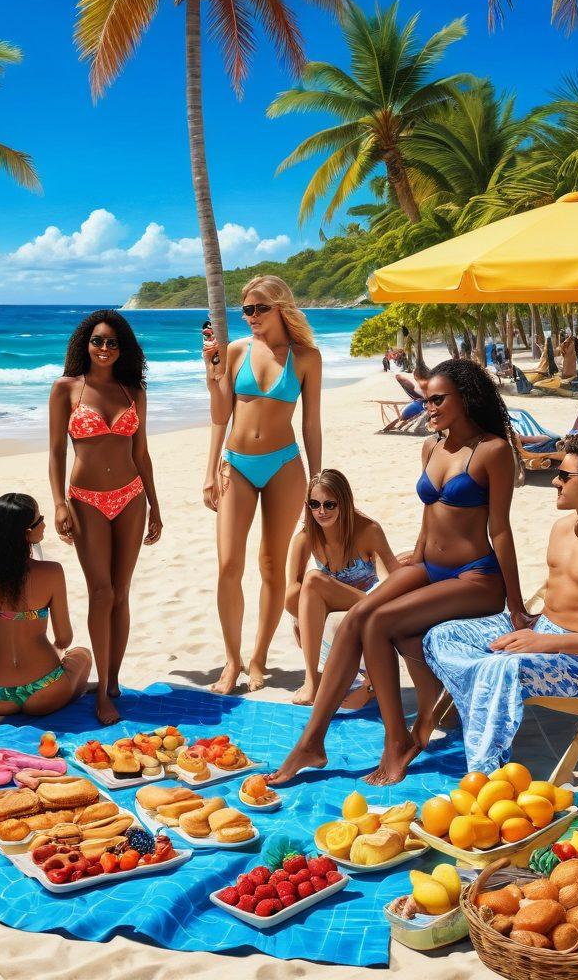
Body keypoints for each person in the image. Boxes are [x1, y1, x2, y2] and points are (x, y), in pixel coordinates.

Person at [268, 359, 527, 786]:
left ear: (466, 397)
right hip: (429, 566)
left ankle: (396, 742)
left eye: (437, 399)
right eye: (425, 400)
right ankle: (312, 741)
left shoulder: (492, 451)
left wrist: (515, 606)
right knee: (356, 618)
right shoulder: (431, 446)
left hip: (475, 576)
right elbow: (429, 513)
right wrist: (417, 556)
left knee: (379, 623)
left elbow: (500, 528)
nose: (429, 407)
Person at [423, 435, 578, 772]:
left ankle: (484, 775)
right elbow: (563, 594)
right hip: (542, 629)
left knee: (502, 668)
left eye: (563, 475)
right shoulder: (562, 528)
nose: (555, 481)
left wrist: (547, 643)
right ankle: (481, 704)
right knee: (441, 635)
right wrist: (532, 627)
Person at [202, 275, 323, 694]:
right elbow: (221, 415)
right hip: (235, 465)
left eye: (259, 309)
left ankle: (258, 658)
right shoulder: (236, 351)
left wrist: (318, 479)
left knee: (272, 567)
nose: (251, 317)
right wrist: (211, 374)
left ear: (280, 308)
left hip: (285, 467)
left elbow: (311, 423)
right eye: (246, 310)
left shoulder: (306, 357)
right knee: (227, 565)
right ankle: (232, 661)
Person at [48, 310, 161, 724]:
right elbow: (57, 452)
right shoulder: (66, 390)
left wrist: (155, 504)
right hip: (86, 500)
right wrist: (59, 503)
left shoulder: (133, 391)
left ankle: (112, 680)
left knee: (122, 591)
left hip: (131, 497)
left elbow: (141, 453)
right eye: (97, 341)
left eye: (112, 342)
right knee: (102, 592)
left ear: (122, 348)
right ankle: (102, 693)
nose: (104, 348)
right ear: (85, 344)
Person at [0, 494, 91, 728]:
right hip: (46, 691)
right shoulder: (51, 572)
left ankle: (0, 716)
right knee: (82, 654)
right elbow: (64, 638)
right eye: (38, 520)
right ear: (26, 533)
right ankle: (68, 694)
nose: (43, 523)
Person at [285, 470, 401, 705]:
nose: (321, 512)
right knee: (306, 589)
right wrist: (300, 618)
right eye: (315, 504)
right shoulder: (306, 538)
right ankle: (314, 679)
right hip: (335, 603)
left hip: (370, 598)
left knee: (313, 580)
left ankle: (313, 682)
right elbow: (290, 594)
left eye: (329, 504)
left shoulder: (367, 530)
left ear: (344, 502)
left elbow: (393, 577)